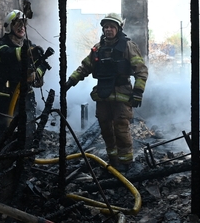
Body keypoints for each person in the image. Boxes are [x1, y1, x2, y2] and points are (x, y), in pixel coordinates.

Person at [63, 13, 148, 173]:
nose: (108, 30)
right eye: (106, 27)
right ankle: (113, 161)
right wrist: (70, 82)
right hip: (103, 95)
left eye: (112, 27)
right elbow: (85, 67)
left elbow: (141, 70)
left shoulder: (128, 46)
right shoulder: (98, 48)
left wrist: (138, 92)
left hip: (122, 94)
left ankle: (126, 164)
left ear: (118, 29)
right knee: (105, 129)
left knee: (121, 128)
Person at [0, 10, 49, 139]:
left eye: (23, 24)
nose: (21, 27)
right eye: (18, 24)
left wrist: (36, 74)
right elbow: (9, 54)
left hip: (26, 93)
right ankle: (3, 152)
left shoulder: (30, 46)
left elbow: (42, 65)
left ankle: (26, 151)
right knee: (6, 128)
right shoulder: (1, 46)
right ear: (10, 27)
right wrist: (27, 53)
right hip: (7, 94)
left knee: (29, 125)